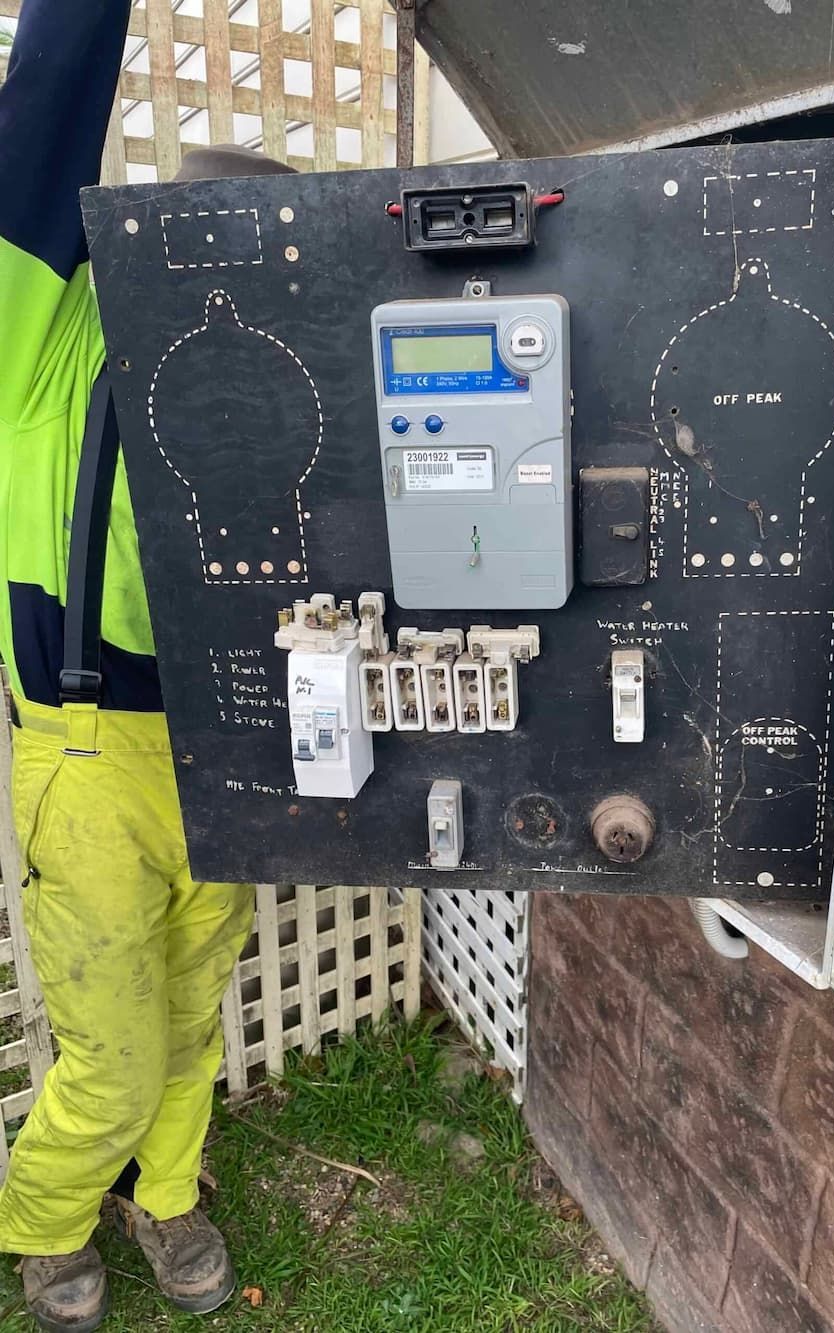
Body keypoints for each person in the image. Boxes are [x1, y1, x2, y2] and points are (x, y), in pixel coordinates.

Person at [0, 4, 296, 1329]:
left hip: (225, 745)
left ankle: (166, 1194)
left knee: (189, 1008)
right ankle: (45, 1221)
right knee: (111, 1049)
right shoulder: (40, 342)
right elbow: (46, 109)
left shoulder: (276, 376)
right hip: (86, 746)